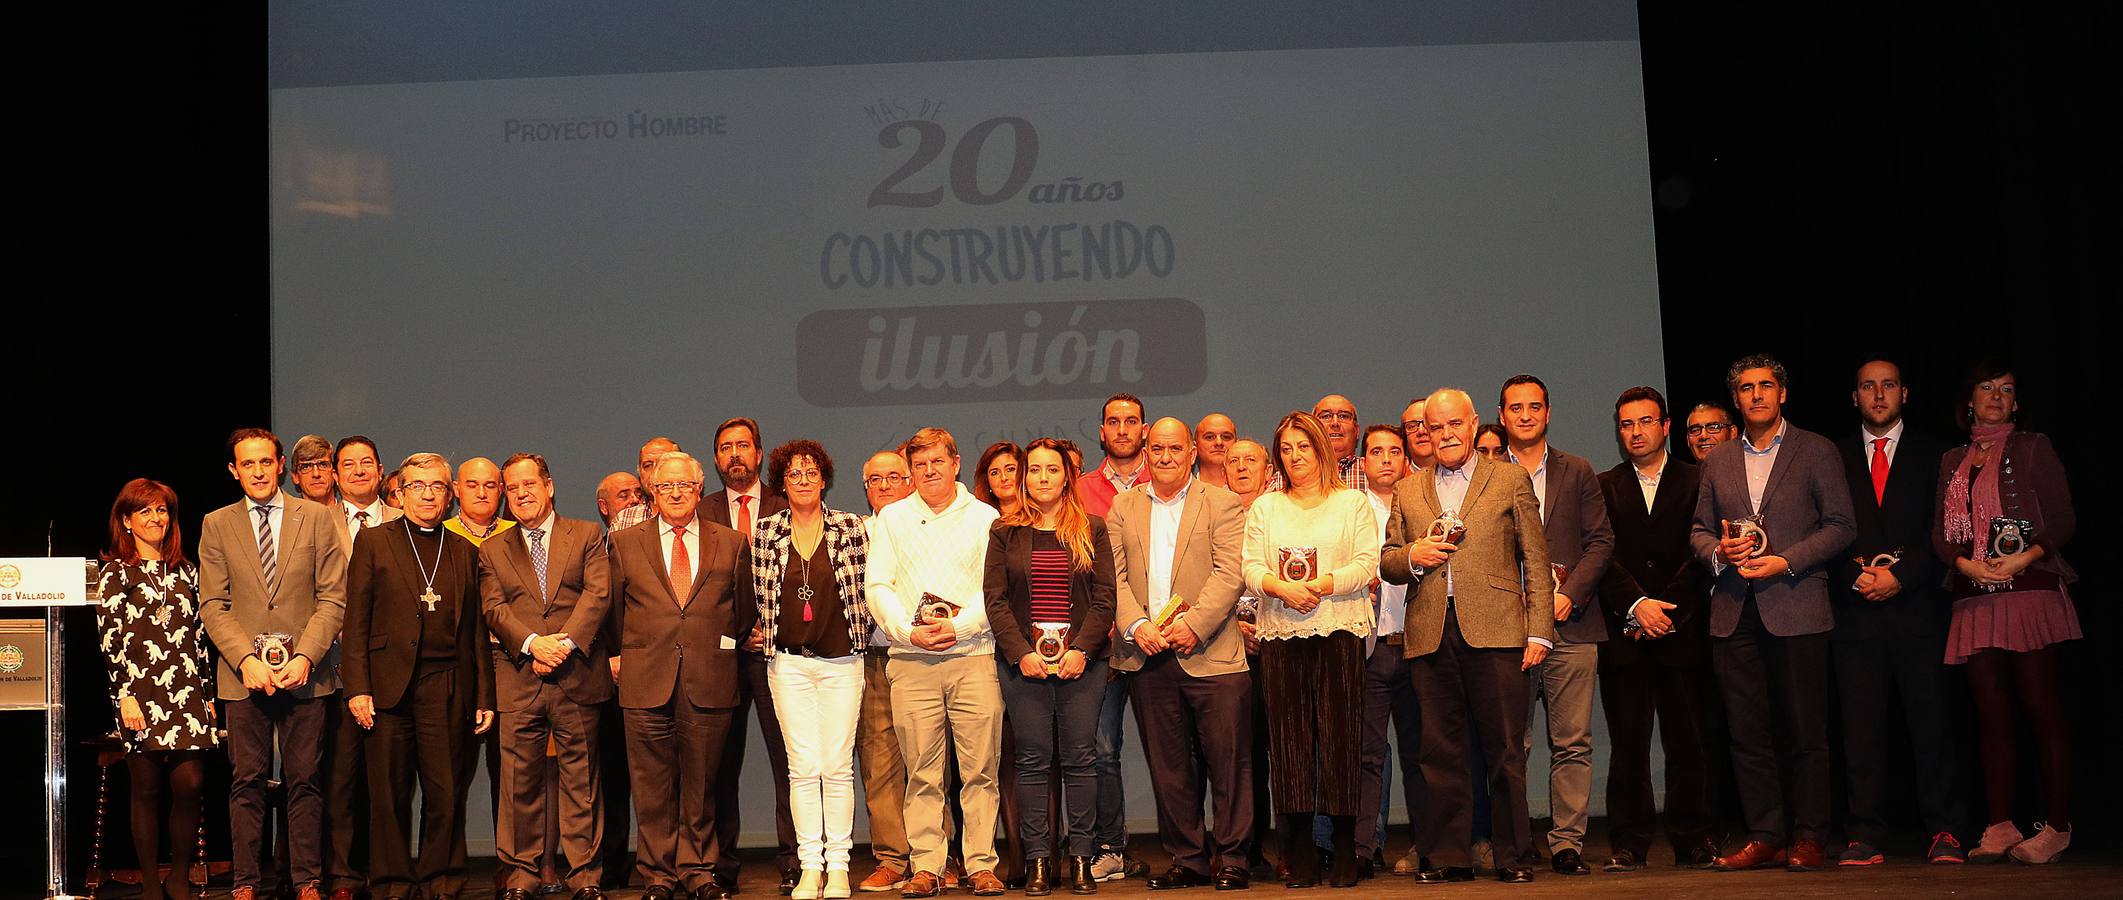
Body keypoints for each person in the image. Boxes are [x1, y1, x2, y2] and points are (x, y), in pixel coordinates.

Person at [1379, 389, 1554, 886]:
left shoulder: (1509, 477)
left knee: (1504, 751)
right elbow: (1389, 561)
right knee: (1439, 753)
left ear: (1475, 424)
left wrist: (1540, 628)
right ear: (1424, 434)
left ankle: (1514, 855)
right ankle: (1448, 857)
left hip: (1498, 631)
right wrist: (1415, 554)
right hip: (1431, 632)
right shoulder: (1409, 489)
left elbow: (1535, 561)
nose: (1447, 434)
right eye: (1436, 427)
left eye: (1455, 424)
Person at [1690, 354, 1853, 873]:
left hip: (1797, 602)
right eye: (1745, 388)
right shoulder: (1717, 460)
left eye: (1765, 386)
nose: (1756, 395)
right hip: (1735, 610)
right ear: (1735, 399)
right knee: (1746, 732)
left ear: (1783, 394)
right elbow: (1697, 531)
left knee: (1806, 731)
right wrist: (1720, 551)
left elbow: (1841, 525)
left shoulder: (1816, 450)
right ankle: (1765, 835)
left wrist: (1787, 559)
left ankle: (1809, 836)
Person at [1934, 364, 2077, 864]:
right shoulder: (1953, 457)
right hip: (1976, 598)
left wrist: (2022, 558)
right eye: (1987, 388)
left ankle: (2057, 826)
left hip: (2031, 592)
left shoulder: (2035, 446)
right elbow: (1941, 535)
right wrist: (1967, 563)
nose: (1996, 397)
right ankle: (1999, 825)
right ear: (1968, 400)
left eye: (2007, 390)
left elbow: (2062, 519)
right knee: (1991, 717)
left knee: (2043, 712)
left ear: (2017, 405)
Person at [199, 428, 349, 900]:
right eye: (248, 464)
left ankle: (307, 881)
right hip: (244, 676)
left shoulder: (317, 519)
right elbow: (212, 604)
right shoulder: (217, 523)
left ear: (281, 464)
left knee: (305, 779)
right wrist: (245, 658)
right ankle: (246, 882)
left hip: (306, 674)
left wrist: (306, 655)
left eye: (266, 462)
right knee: (246, 782)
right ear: (234, 470)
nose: (259, 472)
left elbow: (333, 598)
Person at [1828, 359, 1968, 865]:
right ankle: (1864, 832)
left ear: (1905, 393)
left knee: (1931, 724)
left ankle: (1945, 829)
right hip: (1855, 611)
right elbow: (1825, 527)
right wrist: (1855, 575)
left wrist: (1901, 576)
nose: (1878, 394)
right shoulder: (1834, 456)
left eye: (1888, 385)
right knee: (1860, 730)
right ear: (1855, 397)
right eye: (1868, 386)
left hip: (1920, 610)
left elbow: (1948, 528)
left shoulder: (1938, 455)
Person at [343, 452, 497, 900]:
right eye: (417, 486)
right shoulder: (374, 542)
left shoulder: (465, 551)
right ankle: (391, 882)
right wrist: (358, 687)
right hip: (388, 687)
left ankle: (442, 879)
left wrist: (483, 694)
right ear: (401, 491)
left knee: (445, 791)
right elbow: (356, 622)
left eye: (436, 487)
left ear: (449, 495)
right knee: (388, 796)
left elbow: (474, 631)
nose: (427, 494)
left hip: (447, 684)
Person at [1110, 418, 1254, 891]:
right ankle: (1188, 859)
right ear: (1146, 453)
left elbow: (1230, 572)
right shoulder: (1123, 506)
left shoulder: (1223, 502)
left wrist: (1194, 625)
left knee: (1228, 762)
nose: (1166, 457)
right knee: (1169, 767)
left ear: (1192, 452)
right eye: (1158, 449)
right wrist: (1136, 625)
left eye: (1175, 448)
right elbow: (1114, 579)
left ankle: (1232, 857)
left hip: (1212, 653)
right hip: (1149, 655)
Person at [865, 428, 1008, 898]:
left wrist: (958, 628)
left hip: (973, 657)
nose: (929, 471)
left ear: (956, 463)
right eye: (920, 465)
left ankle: (981, 865)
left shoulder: (986, 517)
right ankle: (926, 866)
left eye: (937, 462)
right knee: (922, 771)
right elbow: (877, 587)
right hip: (911, 659)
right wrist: (908, 632)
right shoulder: (891, 518)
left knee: (980, 770)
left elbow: (995, 591)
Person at [609, 450, 755, 900]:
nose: (675, 493)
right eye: (665, 486)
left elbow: (742, 614)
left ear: (698, 489)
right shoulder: (625, 541)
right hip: (644, 678)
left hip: (708, 679)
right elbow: (613, 612)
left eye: (684, 486)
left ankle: (697, 871)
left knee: (703, 786)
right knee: (651, 788)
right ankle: (657, 875)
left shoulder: (730, 542)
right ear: (653, 491)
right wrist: (627, 655)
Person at [1241, 411, 1378, 888]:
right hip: (1281, 636)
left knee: (1341, 744)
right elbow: (1251, 569)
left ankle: (1343, 852)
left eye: (1304, 446)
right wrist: (1280, 587)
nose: (1295, 457)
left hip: (1339, 631)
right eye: (1287, 449)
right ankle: (1298, 854)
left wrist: (1321, 585)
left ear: (1322, 449)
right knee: (1291, 747)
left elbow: (1367, 565)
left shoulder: (1352, 504)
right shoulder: (1266, 507)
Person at [480, 453, 614, 899]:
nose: (521, 494)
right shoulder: (493, 547)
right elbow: (494, 608)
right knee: (518, 782)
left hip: (576, 674)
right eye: (512, 488)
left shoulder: (587, 534)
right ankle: (521, 875)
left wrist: (562, 644)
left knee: (582, 780)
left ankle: (584, 877)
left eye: (528, 484)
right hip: (520, 677)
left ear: (549, 486)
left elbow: (598, 594)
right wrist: (534, 644)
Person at [986, 438, 1117, 896]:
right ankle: (1040, 859)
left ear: (1067, 477)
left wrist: (1081, 649)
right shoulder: (1004, 532)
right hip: (1025, 667)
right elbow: (996, 602)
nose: (1043, 478)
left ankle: (1081, 858)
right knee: (1032, 762)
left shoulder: (1093, 529)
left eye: (1052, 470)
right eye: (1035, 470)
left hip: (1084, 664)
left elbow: (1104, 601)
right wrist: (1021, 653)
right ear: (1024, 478)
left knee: (1082, 760)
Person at [1593, 387, 1715, 872]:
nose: (1636, 431)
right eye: (1626, 424)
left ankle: (1692, 840)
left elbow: (1702, 552)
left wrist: (1666, 611)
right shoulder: (1603, 485)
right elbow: (1601, 552)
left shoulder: (1699, 479)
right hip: (1626, 632)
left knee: (1688, 742)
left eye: (1645, 421)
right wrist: (1637, 605)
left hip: (1681, 630)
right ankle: (1629, 842)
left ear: (1666, 427)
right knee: (1628, 745)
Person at [1496, 375, 1614, 877]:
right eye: (1515, 408)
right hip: (1506, 631)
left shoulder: (1578, 469)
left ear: (1548, 413)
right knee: (1511, 745)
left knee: (1572, 742)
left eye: (1534, 407)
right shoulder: (1484, 473)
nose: (1525, 415)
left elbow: (1601, 542)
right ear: (1501, 416)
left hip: (1573, 623)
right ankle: (1517, 843)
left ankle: (1567, 843)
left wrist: (1565, 596)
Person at [753, 440, 874, 900]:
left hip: (843, 662)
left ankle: (839, 866)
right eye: (793, 474)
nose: (802, 480)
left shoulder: (850, 527)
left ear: (824, 479)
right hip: (788, 665)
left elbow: (864, 590)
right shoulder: (766, 532)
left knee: (837, 767)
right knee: (802, 768)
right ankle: (810, 867)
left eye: (810, 473)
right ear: (782, 483)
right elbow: (757, 594)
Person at [99, 478, 217, 900]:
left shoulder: (187, 570)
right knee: (146, 789)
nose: (155, 518)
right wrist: (124, 696)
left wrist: (206, 695)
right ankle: (151, 883)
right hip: (139, 693)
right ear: (127, 521)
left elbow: (200, 638)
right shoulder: (117, 572)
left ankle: (180, 877)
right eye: (145, 511)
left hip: (187, 690)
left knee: (189, 784)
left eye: (162, 510)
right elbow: (110, 639)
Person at [705, 417, 799, 893]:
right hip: (721, 658)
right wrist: (736, 631)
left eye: (744, 446)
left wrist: (772, 628)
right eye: (725, 448)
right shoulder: (700, 511)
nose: (735, 454)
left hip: (780, 657)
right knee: (719, 764)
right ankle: (720, 869)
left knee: (789, 762)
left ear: (760, 454)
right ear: (716, 459)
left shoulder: (791, 506)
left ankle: (793, 863)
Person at [1074, 395, 1147, 881]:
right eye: (1113, 422)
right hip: (1106, 643)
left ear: (1145, 431)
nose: (1122, 429)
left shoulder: (1172, 482)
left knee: (1181, 748)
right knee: (1101, 748)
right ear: (1101, 432)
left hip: (1167, 636)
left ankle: (1194, 845)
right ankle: (1110, 846)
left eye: (1131, 422)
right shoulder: (1079, 490)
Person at [324, 435, 400, 900]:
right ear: (335, 474)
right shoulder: (314, 520)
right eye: (347, 464)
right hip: (333, 666)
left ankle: (384, 871)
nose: (357, 471)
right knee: (341, 777)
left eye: (366, 463)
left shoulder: (404, 519)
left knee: (388, 779)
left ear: (380, 469)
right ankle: (344, 875)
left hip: (393, 668)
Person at [1349, 425, 1424, 877]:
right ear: (1363, 461)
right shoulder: (1351, 510)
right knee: (1366, 753)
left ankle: (1429, 846)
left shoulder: (1422, 502)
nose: (1386, 459)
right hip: (1369, 646)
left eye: (1394, 451)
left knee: (1423, 754)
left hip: (1418, 643)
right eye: (1375, 451)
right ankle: (1361, 848)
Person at [855, 450, 919, 892]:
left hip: (922, 655)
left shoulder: (926, 527)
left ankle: (934, 856)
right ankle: (892, 858)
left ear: (911, 481)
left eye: (893, 477)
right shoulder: (853, 533)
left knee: (928, 761)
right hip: (873, 658)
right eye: (874, 480)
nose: (883, 486)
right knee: (879, 763)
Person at [975, 440, 1027, 517]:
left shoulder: (1041, 515)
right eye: (994, 473)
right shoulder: (980, 518)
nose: (1004, 478)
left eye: (1010, 469)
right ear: (987, 481)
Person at [288, 434, 337, 506]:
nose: (316, 474)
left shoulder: (351, 516)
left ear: (334, 473)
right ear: (295, 476)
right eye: (306, 467)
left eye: (323, 465)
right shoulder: (285, 517)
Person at [1193, 413, 1238, 488]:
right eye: (1209, 437)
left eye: (1226, 437)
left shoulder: (1258, 495)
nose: (1219, 442)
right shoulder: (1182, 494)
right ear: (1195, 446)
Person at [1225, 440, 1268, 508]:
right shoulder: (1212, 509)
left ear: (1268, 471)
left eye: (1250, 460)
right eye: (1234, 461)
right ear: (1224, 474)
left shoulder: (1281, 508)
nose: (1241, 467)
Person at [1400, 399, 1436, 472]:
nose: (1421, 431)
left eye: (1427, 423)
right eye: (1412, 426)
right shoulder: (1396, 482)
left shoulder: (1462, 479)